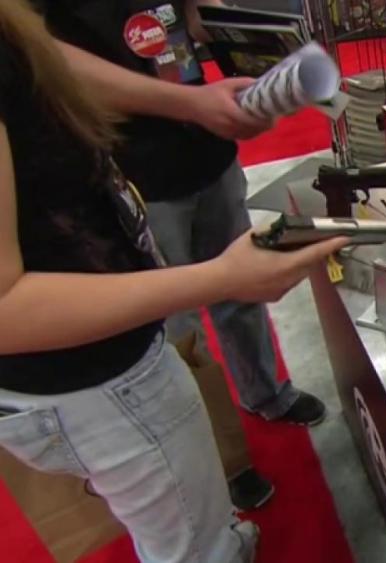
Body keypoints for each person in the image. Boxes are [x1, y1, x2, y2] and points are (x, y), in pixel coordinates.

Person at [0, 1, 347, 561]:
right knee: (191, 537)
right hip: (93, 369)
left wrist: (236, 64)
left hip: (169, 193)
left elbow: (49, 58)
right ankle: (226, 470)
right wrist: (216, 278)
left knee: (197, 512)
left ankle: (254, 414)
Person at [30, 0, 330, 434]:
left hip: (206, 147)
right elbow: (47, 60)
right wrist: (189, 103)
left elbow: (195, 14)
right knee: (176, 321)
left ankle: (266, 392)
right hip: (132, 167)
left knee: (245, 288)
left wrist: (260, 48)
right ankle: (215, 437)